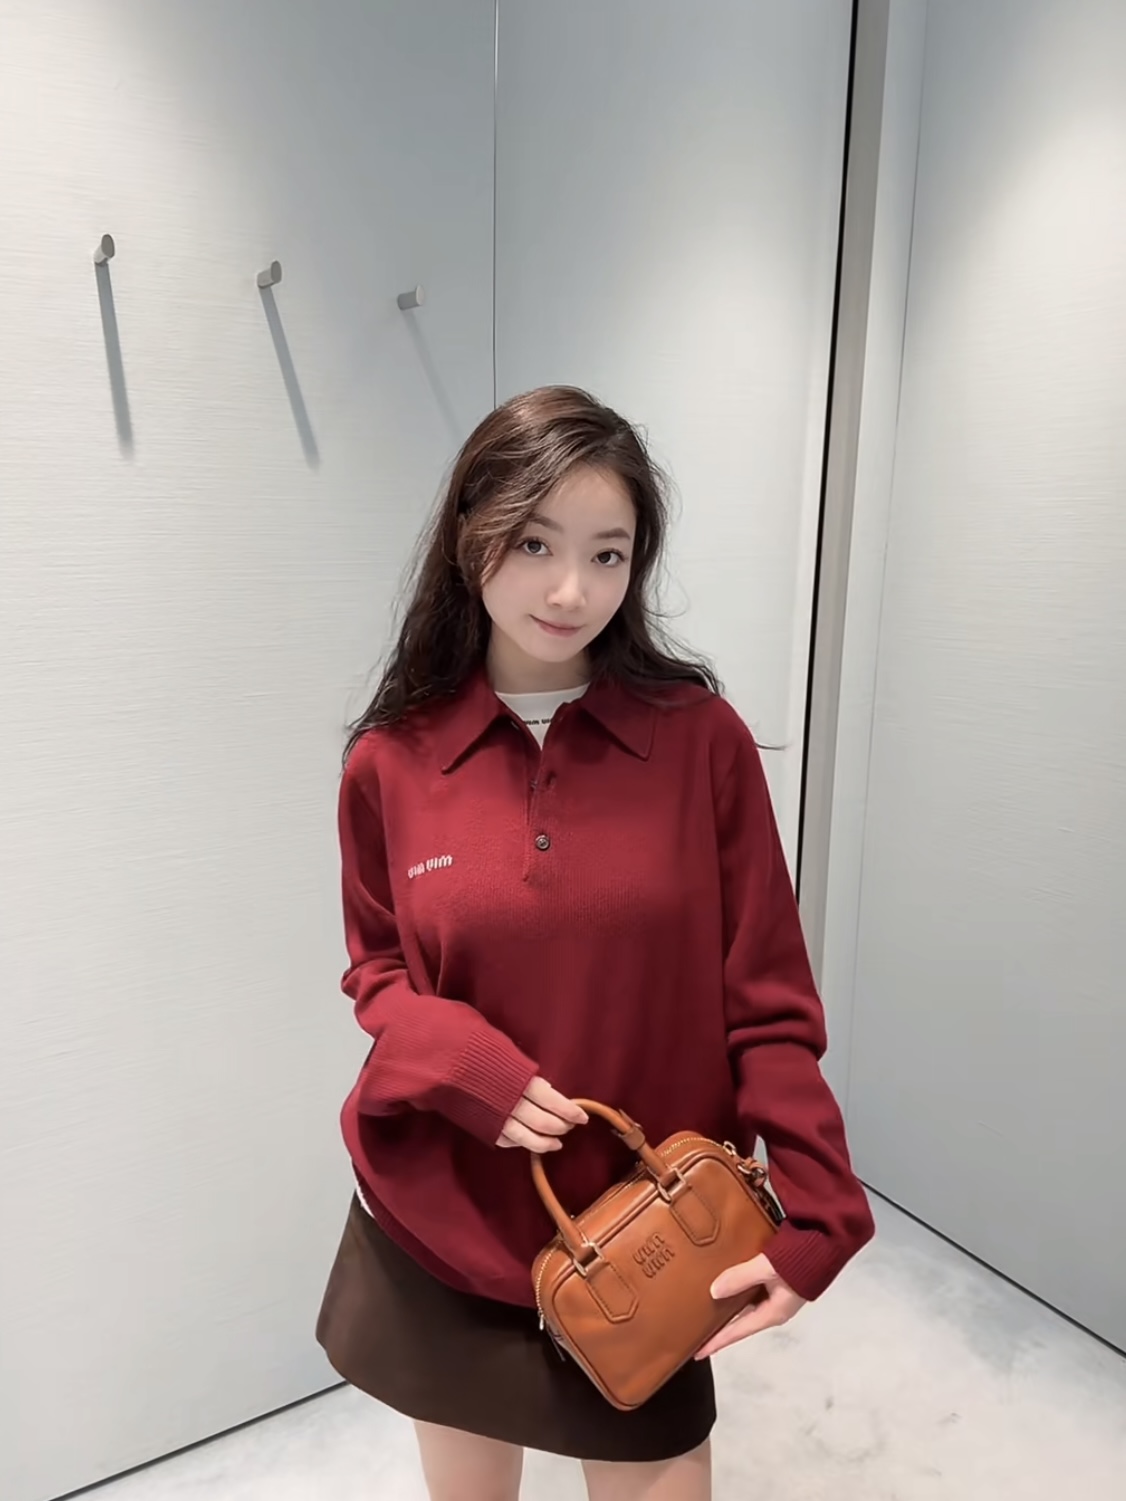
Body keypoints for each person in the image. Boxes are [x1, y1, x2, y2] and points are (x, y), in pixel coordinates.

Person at [316, 386, 875, 1501]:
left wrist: (822, 1202)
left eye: (607, 553)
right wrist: (455, 1058)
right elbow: (377, 970)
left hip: (649, 1242)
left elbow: (767, 998)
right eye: (534, 543)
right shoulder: (391, 758)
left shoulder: (701, 742)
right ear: (469, 534)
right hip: (445, 1221)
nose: (572, 589)